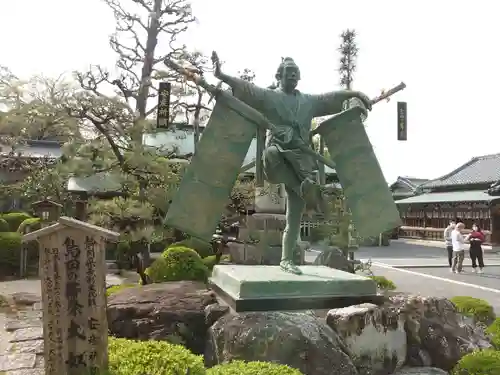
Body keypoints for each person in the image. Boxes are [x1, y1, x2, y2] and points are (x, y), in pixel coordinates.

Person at [212, 53, 372, 274]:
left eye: (296, 72)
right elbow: (247, 89)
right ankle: (304, 188)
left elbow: (330, 99)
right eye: (289, 72)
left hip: (302, 162)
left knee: (294, 217)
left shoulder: (308, 101)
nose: (294, 75)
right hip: (278, 157)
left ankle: (286, 259)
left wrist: (355, 93)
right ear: (280, 75)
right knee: (271, 154)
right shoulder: (269, 97)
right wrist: (221, 75)